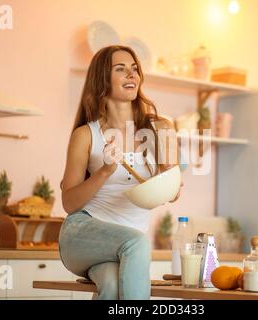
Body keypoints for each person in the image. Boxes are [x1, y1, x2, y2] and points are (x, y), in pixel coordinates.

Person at [58, 45, 182, 300]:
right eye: (121, 69)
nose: (132, 75)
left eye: (135, 70)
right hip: (82, 235)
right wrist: (104, 171)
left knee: (113, 286)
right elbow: (69, 203)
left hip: (124, 247)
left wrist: (171, 183)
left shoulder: (161, 129)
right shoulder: (86, 135)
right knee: (137, 243)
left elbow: (172, 194)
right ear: (103, 79)